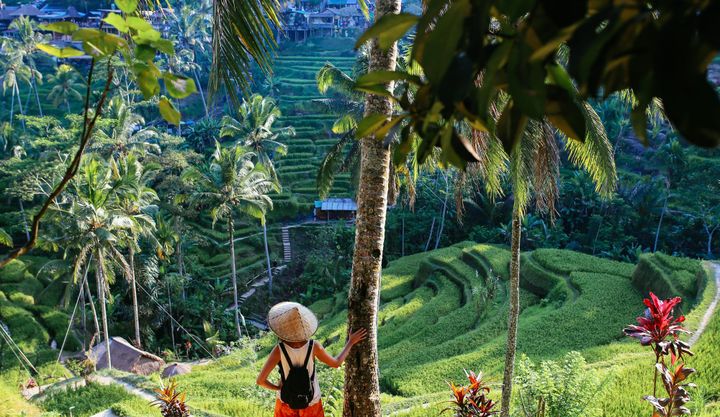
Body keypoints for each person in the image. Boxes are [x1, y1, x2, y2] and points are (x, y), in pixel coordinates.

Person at [257, 301, 368, 417]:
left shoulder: (278, 350)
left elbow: (260, 381)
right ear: (305, 326)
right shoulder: (314, 346)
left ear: (282, 328)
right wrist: (351, 342)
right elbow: (336, 363)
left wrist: (278, 387)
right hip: (311, 402)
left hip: (286, 403)